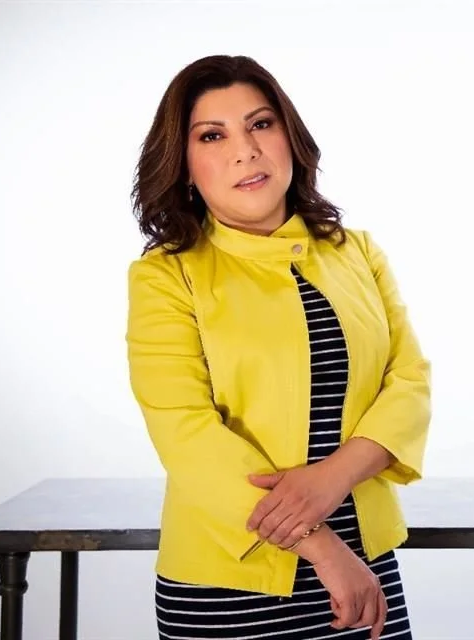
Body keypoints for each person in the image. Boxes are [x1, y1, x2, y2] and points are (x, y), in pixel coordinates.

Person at [125, 54, 431, 640]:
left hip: (365, 565)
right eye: (213, 135)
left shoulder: (356, 252)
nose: (246, 150)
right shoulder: (165, 276)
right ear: (185, 165)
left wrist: (332, 479)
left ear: (289, 136)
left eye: (260, 124)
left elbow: (409, 382)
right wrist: (320, 547)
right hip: (232, 579)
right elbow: (186, 434)